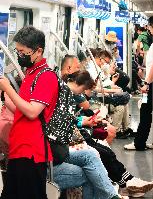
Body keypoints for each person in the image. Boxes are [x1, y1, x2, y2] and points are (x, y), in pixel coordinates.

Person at [58, 55, 153, 198]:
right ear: (69, 68)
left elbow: (70, 115)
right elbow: (84, 104)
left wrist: (82, 120)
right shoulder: (65, 89)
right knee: (100, 151)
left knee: (104, 150)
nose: (80, 69)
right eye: (78, 67)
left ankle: (126, 181)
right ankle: (123, 184)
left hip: (75, 126)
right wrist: (82, 121)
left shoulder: (69, 88)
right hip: (72, 132)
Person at [0, 26, 59, 199]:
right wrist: (4, 95)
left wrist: (9, 89)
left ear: (38, 51)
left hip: (31, 151)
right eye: (17, 51)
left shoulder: (46, 77)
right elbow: (21, 109)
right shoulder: (31, 74)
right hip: (19, 148)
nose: (19, 56)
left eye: (22, 52)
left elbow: (33, 112)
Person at [124, 16, 153, 151]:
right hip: (150, 83)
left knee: (145, 112)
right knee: (146, 111)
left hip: (150, 86)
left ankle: (139, 143)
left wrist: (146, 82)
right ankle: (141, 142)